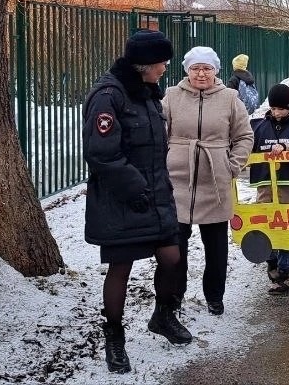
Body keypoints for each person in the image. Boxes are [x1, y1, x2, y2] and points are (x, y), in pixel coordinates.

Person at [83, 29, 192, 374]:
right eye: (162, 62)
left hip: (155, 195)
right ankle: (114, 338)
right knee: (121, 268)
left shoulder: (147, 94)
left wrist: (155, 189)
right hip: (122, 199)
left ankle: (162, 315)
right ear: (144, 64)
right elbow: (102, 154)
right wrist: (135, 188)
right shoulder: (108, 96)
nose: (165, 68)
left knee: (172, 256)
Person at [163, 46, 255, 317]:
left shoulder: (230, 98)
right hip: (177, 180)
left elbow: (244, 136)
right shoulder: (171, 96)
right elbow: (157, 133)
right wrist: (163, 164)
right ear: (186, 70)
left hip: (215, 179)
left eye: (207, 68)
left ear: (216, 70)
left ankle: (215, 296)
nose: (201, 74)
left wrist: (232, 165)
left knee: (215, 246)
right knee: (175, 245)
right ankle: (174, 295)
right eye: (195, 68)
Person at [249, 84, 289, 293]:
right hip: (265, 185)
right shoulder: (259, 127)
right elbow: (246, 148)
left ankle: (285, 273)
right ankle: (272, 262)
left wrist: (287, 149)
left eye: (281, 109)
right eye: (274, 108)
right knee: (267, 226)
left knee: (286, 229)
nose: (276, 113)